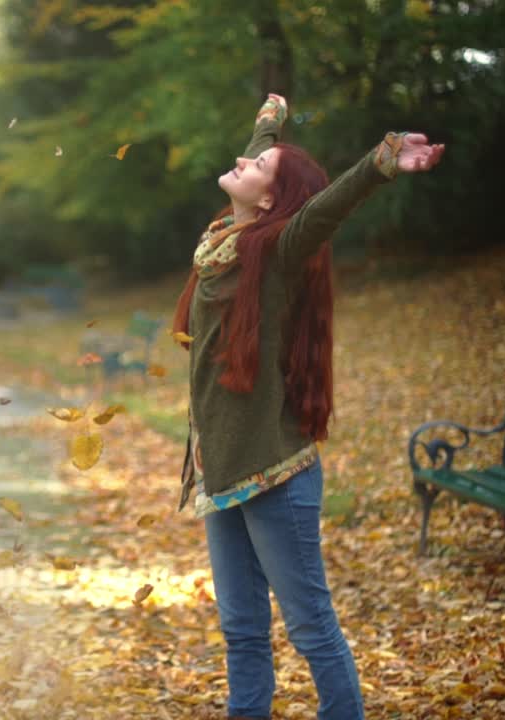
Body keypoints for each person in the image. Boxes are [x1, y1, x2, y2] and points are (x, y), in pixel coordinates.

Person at [171, 94, 444, 720]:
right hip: (222, 470)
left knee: (311, 628)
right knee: (241, 630)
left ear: (269, 200)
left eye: (261, 163)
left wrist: (382, 161)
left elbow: (320, 209)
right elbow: (256, 168)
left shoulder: (275, 252)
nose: (244, 162)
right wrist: (269, 123)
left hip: (274, 472)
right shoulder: (224, 239)